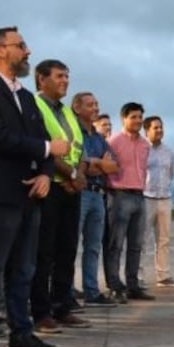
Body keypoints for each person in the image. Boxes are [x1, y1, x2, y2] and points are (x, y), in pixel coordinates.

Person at [0, 27, 67, 347]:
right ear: (0, 50)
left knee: (24, 270)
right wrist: (48, 147)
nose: (27, 50)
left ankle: (21, 333)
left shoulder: (26, 98)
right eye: (20, 45)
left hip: (31, 196)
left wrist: (46, 173)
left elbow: (44, 146)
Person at [31, 59, 91, 332]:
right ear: (41, 79)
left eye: (67, 76)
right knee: (44, 252)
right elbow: (44, 148)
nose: (65, 80)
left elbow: (80, 149)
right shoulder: (34, 105)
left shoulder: (67, 113)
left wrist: (79, 176)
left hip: (70, 189)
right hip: (48, 187)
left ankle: (62, 306)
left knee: (67, 250)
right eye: (59, 76)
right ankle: (41, 312)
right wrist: (72, 176)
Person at [104, 102, 156, 302]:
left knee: (136, 244)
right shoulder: (114, 141)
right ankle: (115, 286)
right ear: (123, 119)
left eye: (140, 117)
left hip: (139, 196)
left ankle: (133, 285)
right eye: (133, 117)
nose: (137, 121)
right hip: (119, 195)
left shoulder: (144, 144)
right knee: (115, 244)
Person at [71, 92, 118, 307]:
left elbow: (114, 165)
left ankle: (91, 290)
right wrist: (99, 163)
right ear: (77, 108)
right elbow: (83, 167)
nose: (95, 108)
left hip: (98, 195)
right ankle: (67, 290)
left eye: (97, 104)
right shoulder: (75, 133)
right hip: (80, 193)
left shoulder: (99, 138)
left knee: (93, 246)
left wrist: (96, 163)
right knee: (70, 245)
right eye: (90, 105)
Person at [143, 115, 174, 288]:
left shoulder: (169, 151)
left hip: (165, 199)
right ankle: (137, 276)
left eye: (161, 127)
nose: (159, 131)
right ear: (146, 130)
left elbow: (171, 173)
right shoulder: (142, 149)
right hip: (146, 198)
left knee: (164, 239)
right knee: (142, 239)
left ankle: (163, 275)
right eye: (155, 128)